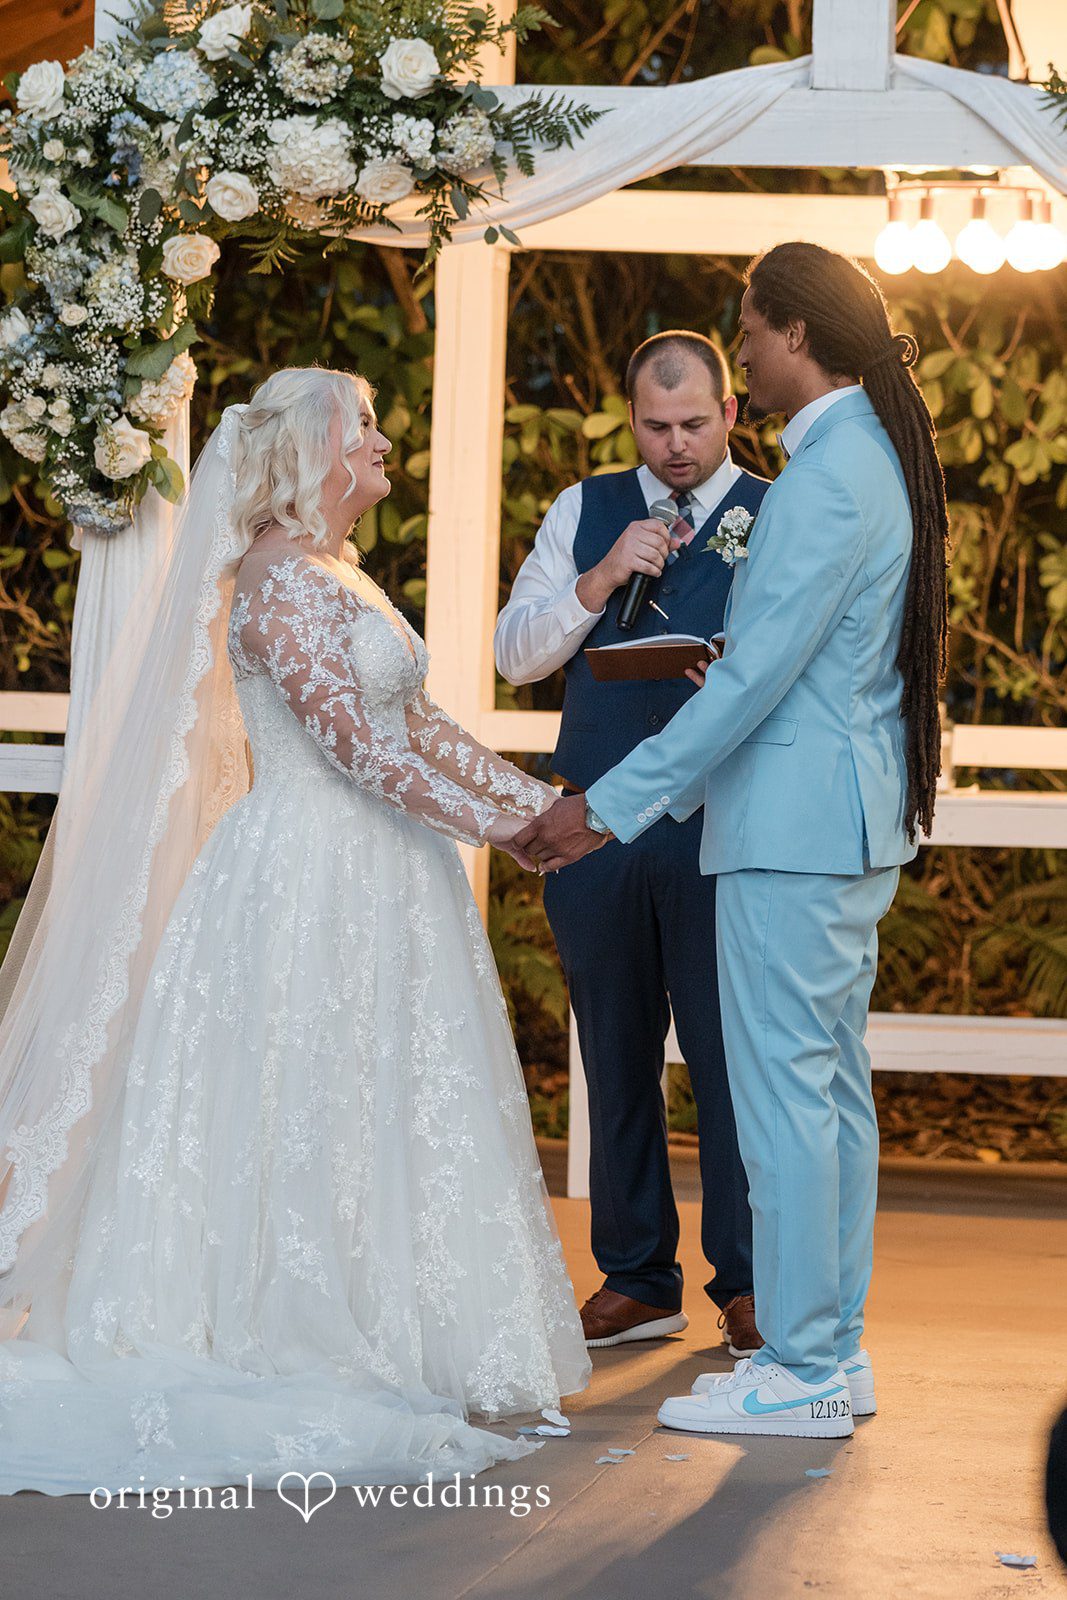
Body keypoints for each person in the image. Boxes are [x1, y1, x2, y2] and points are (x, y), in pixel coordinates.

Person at [0, 367, 590, 1494]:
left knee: (378, 1097)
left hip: (382, 871)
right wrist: (506, 833)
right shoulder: (272, 582)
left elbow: (420, 724)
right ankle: (289, 1317)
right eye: (361, 427)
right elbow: (354, 754)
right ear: (312, 449)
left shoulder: (338, 577)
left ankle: (399, 1317)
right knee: (303, 1096)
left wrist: (537, 804)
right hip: (306, 871)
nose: (379, 444)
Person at [515, 243, 949, 1439]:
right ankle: (829, 1350)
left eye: (750, 329)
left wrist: (601, 803)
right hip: (829, 816)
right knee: (826, 1099)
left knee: (786, 1106)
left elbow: (756, 681)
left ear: (795, 335)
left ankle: (803, 1365)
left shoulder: (820, 475)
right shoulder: (864, 459)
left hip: (790, 827)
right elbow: (801, 659)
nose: (742, 348)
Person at [495, 332, 769, 1356]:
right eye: (655, 427)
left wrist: (736, 670)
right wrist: (600, 573)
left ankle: (743, 1281)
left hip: (718, 824)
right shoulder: (584, 508)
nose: (674, 445)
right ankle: (635, 1274)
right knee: (613, 1056)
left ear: (730, 411)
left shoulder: (774, 511)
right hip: (595, 826)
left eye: (693, 424)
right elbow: (515, 653)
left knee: (725, 1055)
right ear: (629, 419)